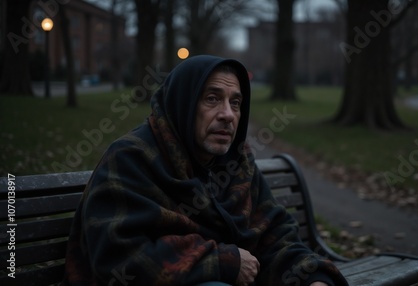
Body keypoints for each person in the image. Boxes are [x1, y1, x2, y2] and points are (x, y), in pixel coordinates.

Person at [62, 55, 348, 286]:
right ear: (184, 104)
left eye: (235, 102)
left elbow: (275, 236)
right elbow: (121, 260)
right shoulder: (131, 159)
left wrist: (312, 276)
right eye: (212, 99)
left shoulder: (238, 164)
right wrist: (223, 262)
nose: (227, 114)